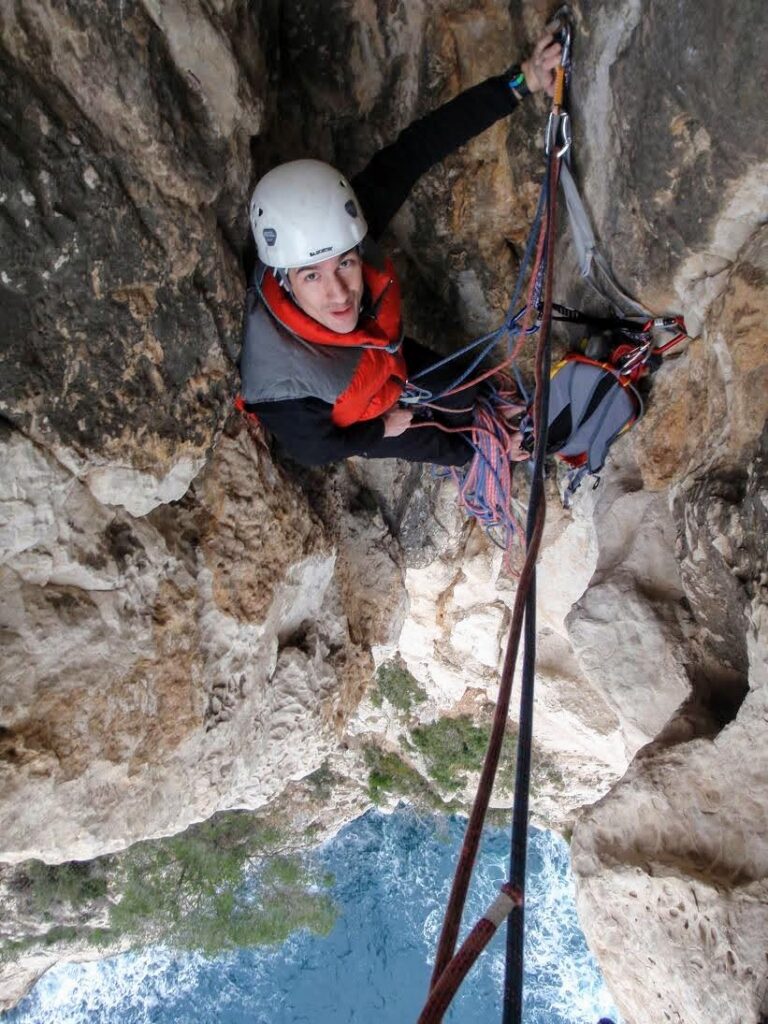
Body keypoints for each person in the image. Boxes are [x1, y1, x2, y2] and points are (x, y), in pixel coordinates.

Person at [239, 31, 561, 467]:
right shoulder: (284, 389)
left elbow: (417, 149)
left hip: (377, 355)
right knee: (440, 445)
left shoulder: (339, 226)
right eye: (312, 276)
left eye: (346, 264)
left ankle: (492, 412)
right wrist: (379, 429)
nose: (339, 292)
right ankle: (490, 451)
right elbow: (316, 449)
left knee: (460, 385)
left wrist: (520, 81)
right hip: (358, 412)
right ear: (284, 279)